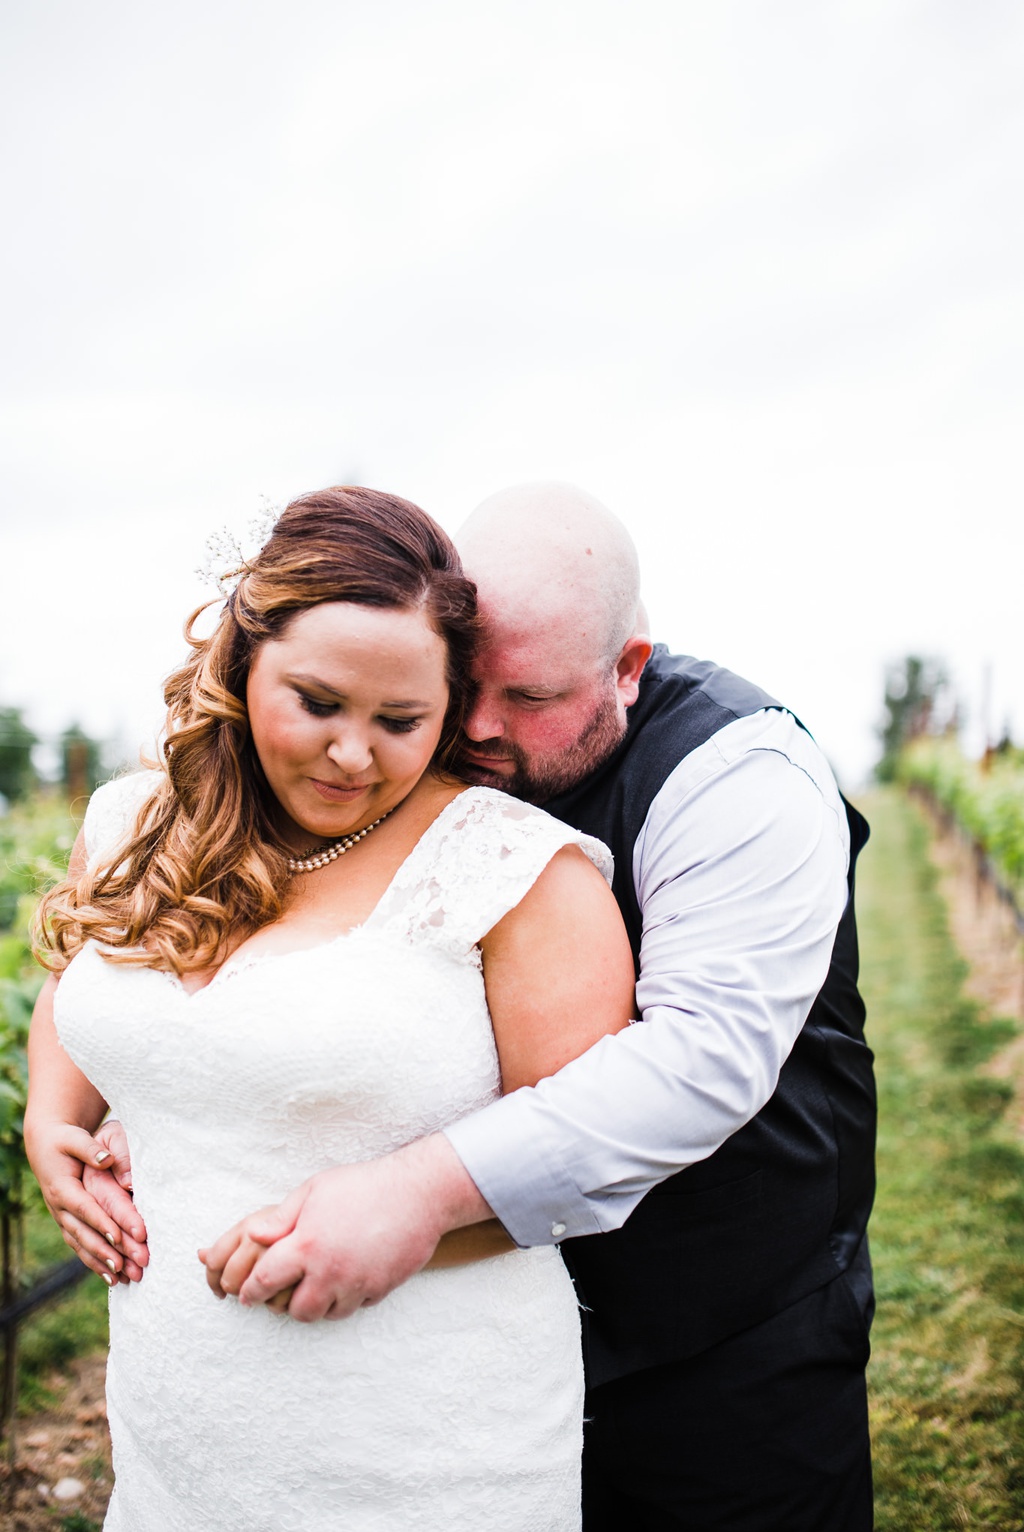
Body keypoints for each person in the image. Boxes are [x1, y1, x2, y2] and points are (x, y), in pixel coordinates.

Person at [69, 481, 876, 1530]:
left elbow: (700, 1063)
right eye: (460, 688)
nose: (475, 730)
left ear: (625, 669)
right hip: (428, 1325)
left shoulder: (738, 773)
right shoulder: (379, 758)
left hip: (717, 1310)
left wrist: (413, 1193)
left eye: (527, 699)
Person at [25, 486, 636, 1532]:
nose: (355, 755)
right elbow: (78, 994)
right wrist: (51, 1123)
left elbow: (589, 1150)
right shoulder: (131, 820)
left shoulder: (514, 872)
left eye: (401, 720)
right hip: (175, 1427)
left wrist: (412, 1222)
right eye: (317, 702)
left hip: (421, 1453)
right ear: (242, 660)